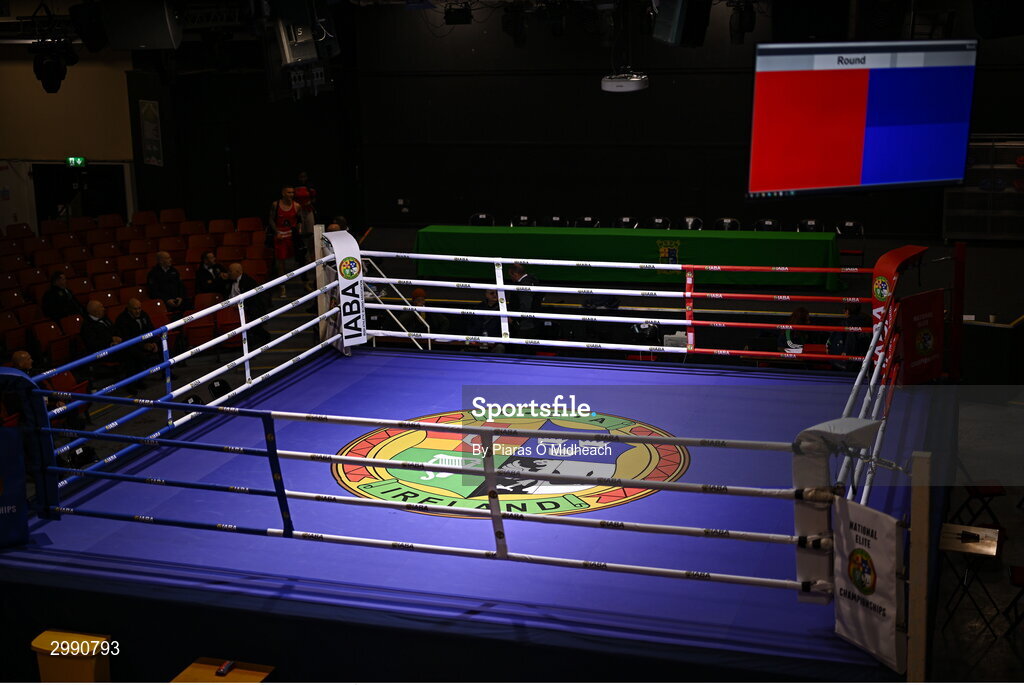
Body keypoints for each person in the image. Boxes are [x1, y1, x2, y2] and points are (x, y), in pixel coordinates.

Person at [268, 185, 310, 297]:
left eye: (292, 192)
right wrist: (276, 231)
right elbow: (271, 219)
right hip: (280, 237)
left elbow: (300, 220)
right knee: (281, 264)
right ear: (283, 193)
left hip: (293, 236)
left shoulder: (297, 206)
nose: (291, 194)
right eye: (288, 192)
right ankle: (283, 288)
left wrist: (299, 229)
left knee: (302, 260)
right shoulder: (276, 205)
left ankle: (305, 283)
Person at [114, 298, 161, 387]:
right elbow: (127, 338)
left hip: (146, 341)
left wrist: (153, 342)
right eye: (135, 309)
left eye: (139, 308)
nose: (138, 311)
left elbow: (151, 329)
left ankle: (166, 372)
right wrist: (143, 346)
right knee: (134, 353)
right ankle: (137, 382)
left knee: (162, 343)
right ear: (128, 308)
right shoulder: (122, 319)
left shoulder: (144, 314)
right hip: (132, 345)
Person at [226, 262, 270, 343]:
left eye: (230, 271)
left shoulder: (248, 281)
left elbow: (252, 299)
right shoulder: (229, 280)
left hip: (246, 308)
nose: (228, 273)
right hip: (232, 308)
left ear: (238, 272)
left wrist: (240, 307)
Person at [827, 303, 872, 368]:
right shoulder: (868, 320)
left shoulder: (845, 323)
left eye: (844, 310)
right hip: (867, 358)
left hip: (849, 362)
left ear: (847, 311)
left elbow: (833, 342)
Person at [506, 263, 543, 339]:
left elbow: (525, 306)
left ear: (515, 274)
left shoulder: (524, 285)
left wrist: (514, 319)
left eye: (511, 275)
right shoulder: (532, 280)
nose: (511, 278)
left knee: (522, 349)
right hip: (532, 322)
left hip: (525, 325)